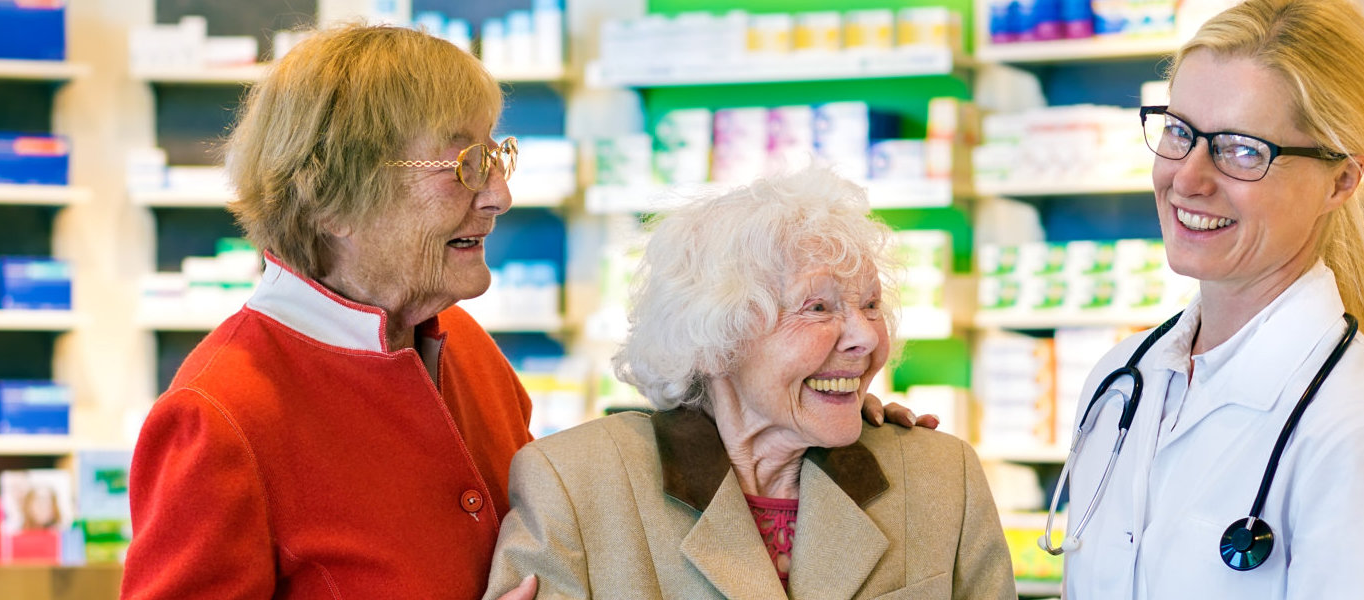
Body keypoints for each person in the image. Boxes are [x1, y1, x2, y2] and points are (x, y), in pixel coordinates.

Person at [120, 25, 928, 600]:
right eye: (464, 164)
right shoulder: (222, 413)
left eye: (496, 156)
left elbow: (578, 509)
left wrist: (813, 413)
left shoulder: (458, 342)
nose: (499, 194)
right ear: (334, 194)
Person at [1049, 0, 1364, 597]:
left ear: (1341, 179)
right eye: (1180, 131)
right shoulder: (1120, 381)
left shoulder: (1361, 429)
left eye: (1242, 149)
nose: (1188, 177)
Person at [483, 165, 1015, 600]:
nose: (863, 337)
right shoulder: (575, 485)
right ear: (717, 340)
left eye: (871, 304)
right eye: (818, 307)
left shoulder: (943, 477)